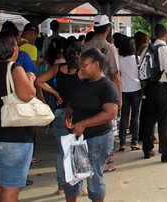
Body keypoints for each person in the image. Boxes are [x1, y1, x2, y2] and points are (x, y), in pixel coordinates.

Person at [64, 48, 120, 202]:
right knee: (74, 176)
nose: (81, 68)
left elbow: (110, 113)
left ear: (96, 64)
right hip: (78, 138)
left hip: (98, 139)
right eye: (81, 65)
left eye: (85, 65)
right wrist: (68, 115)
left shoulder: (107, 87)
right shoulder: (83, 83)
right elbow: (72, 103)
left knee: (94, 178)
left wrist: (83, 123)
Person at [0, 31, 36, 201]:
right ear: (12, 49)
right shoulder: (14, 68)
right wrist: (30, 79)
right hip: (14, 138)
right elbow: (27, 95)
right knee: (10, 190)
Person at [35, 39, 82, 195]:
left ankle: (61, 187)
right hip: (77, 114)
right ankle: (78, 186)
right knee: (77, 150)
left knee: (62, 152)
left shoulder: (57, 68)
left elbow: (38, 81)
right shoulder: (81, 72)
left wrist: (55, 94)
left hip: (59, 112)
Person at [82, 14, 121, 172]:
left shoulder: (85, 46)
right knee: (106, 127)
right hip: (105, 93)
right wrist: (119, 97)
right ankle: (102, 162)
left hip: (87, 90)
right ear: (108, 29)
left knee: (89, 124)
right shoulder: (110, 48)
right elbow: (115, 74)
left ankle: (90, 159)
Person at [141, 24, 167, 162]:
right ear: (166, 35)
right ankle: (166, 153)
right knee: (164, 122)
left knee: (149, 120)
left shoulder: (147, 48)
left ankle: (147, 149)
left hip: (148, 88)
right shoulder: (165, 49)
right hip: (162, 89)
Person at [118, 37, 142, 152]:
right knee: (135, 116)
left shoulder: (119, 59)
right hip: (136, 89)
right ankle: (134, 142)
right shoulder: (137, 59)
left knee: (124, 116)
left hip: (123, 90)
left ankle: (122, 143)